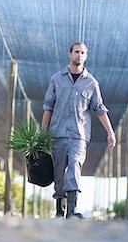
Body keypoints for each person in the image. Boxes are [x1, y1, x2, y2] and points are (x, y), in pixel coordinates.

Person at [41, 41, 116, 219]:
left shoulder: (91, 83)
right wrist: (42, 135)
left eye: (82, 53)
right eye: (76, 52)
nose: (79, 55)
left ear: (86, 56)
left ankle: (72, 210)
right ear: (70, 54)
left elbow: (99, 108)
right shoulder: (56, 79)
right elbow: (48, 107)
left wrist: (110, 132)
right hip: (56, 135)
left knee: (74, 165)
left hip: (79, 137)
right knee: (58, 174)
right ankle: (60, 209)